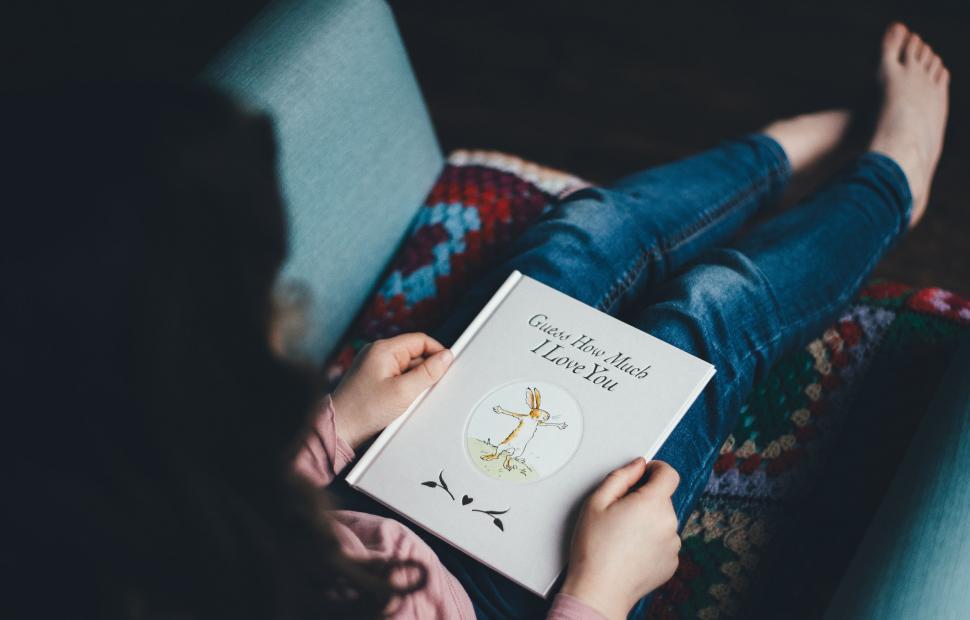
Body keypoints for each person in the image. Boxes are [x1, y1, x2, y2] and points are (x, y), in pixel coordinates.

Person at [7, 22, 948, 620]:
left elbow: (209, 480)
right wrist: (600, 592)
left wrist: (338, 421)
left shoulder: (108, 496)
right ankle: (887, 189)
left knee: (579, 232)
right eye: (268, 314)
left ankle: (772, 161)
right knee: (708, 312)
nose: (290, 324)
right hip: (512, 591)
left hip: (370, 498)